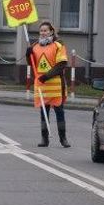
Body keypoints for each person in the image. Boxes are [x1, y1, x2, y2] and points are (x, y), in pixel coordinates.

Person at [26, 20, 70, 148]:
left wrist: (46, 76)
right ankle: (44, 139)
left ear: (51, 31)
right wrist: (28, 54)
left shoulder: (58, 45)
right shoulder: (35, 46)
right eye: (41, 31)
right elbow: (32, 64)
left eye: (45, 30)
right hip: (42, 86)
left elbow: (61, 64)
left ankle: (63, 138)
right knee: (43, 113)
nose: (43, 33)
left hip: (56, 85)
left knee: (59, 112)